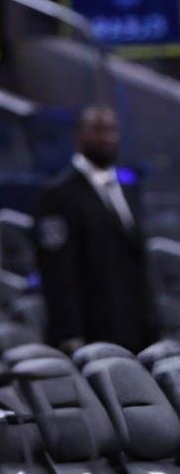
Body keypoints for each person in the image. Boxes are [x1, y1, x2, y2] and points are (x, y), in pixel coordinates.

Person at [33, 106, 157, 355]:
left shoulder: (127, 190)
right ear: (80, 136)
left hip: (135, 329)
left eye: (112, 130)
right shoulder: (58, 195)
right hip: (91, 334)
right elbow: (57, 271)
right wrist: (69, 333)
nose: (107, 138)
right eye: (98, 130)